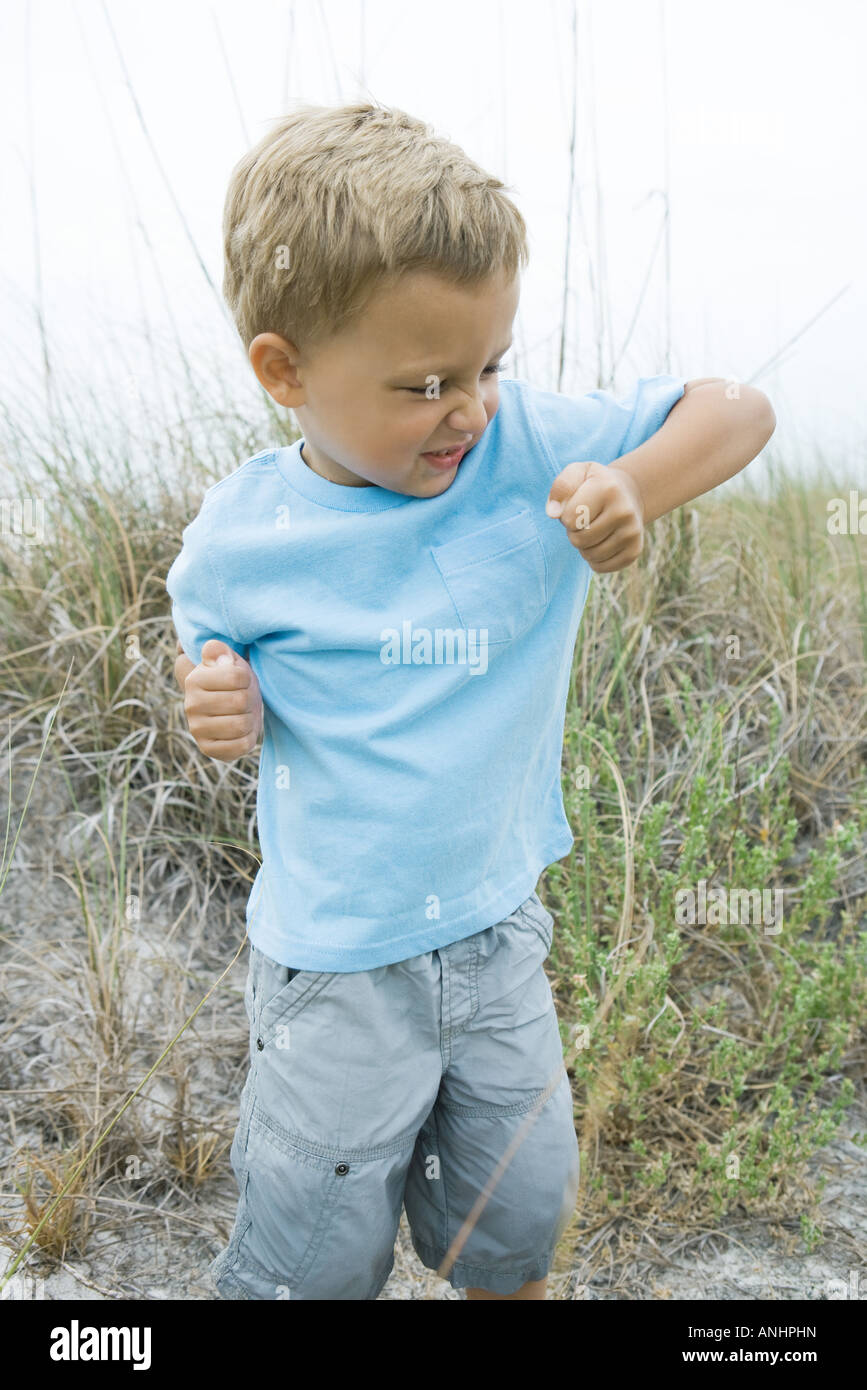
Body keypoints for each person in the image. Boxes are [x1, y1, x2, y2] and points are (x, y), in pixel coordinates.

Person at [166, 101, 775, 1301]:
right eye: (428, 382)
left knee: (517, 1215)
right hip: (338, 968)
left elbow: (739, 408)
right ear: (284, 369)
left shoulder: (527, 447)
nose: (472, 407)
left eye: (490, 364)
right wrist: (221, 704)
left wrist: (632, 484)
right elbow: (212, 664)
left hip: (499, 938)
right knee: (314, 1253)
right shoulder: (243, 537)